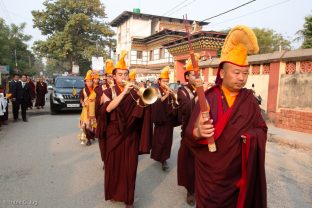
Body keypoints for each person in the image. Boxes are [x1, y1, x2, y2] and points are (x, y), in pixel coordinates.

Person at [184, 25, 267, 208]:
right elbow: (190, 134)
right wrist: (198, 131)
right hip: (210, 177)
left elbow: (262, 128)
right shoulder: (209, 98)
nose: (241, 78)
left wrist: (250, 137)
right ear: (222, 72)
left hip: (238, 174)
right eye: (236, 72)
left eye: (245, 73)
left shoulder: (249, 100)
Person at [99, 50, 152, 208]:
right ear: (114, 77)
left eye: (125, 74)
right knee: (114, 167)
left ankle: (129, 199)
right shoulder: (107, 92)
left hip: (130, 136)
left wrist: (144, 102)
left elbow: (144, 111)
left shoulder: (136, 93)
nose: (123, 77)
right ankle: (115, 193)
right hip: (114, 134)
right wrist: (123, 94)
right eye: (120, 74)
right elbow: (107, 109)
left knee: (130, 168)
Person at [176, 53, 200, 206]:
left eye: (198, 73)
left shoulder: (202, 88)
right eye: (194, 74)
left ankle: (201, 186)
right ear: (187, 77)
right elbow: (185, 108)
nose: (197, 76)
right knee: (189, 162)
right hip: (188, 132)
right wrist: (198, 94)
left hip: (203, 130)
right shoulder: (182, 91)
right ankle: (190, 190)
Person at [151, 66, 178, 170]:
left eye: (167, 81)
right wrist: (166, 96)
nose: (166, 83)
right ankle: (159, 156)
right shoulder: (155, 90)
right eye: (164, 81)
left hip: (168, 120)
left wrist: (173, 95)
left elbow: (174, 103)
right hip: (160, 120)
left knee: (167, 141)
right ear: (159, 81)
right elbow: (154, 103)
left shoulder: (169, 90)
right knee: (160, 140)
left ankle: (164, 158)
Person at [95, 59, 115, 168]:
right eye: (109, 76)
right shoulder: (99, 88)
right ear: (105, 77)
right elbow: (99, 104)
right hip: (103, 119)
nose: (111, 79)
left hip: (114, 119)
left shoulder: (119, 88)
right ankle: (105, 160)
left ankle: (111, 159)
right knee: (103, 142)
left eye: (112, 76)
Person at [80, 70, 97, 146]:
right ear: (85, 82)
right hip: (86, 110)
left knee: (93, 124)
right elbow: (81, 99)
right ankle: (88, 139)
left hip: (94, 109)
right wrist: (83, 103)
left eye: (91, 81)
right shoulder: (82, 91)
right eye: (88, 81)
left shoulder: (96, 90)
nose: (89, 82)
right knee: (86, 125)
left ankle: (92, 135)